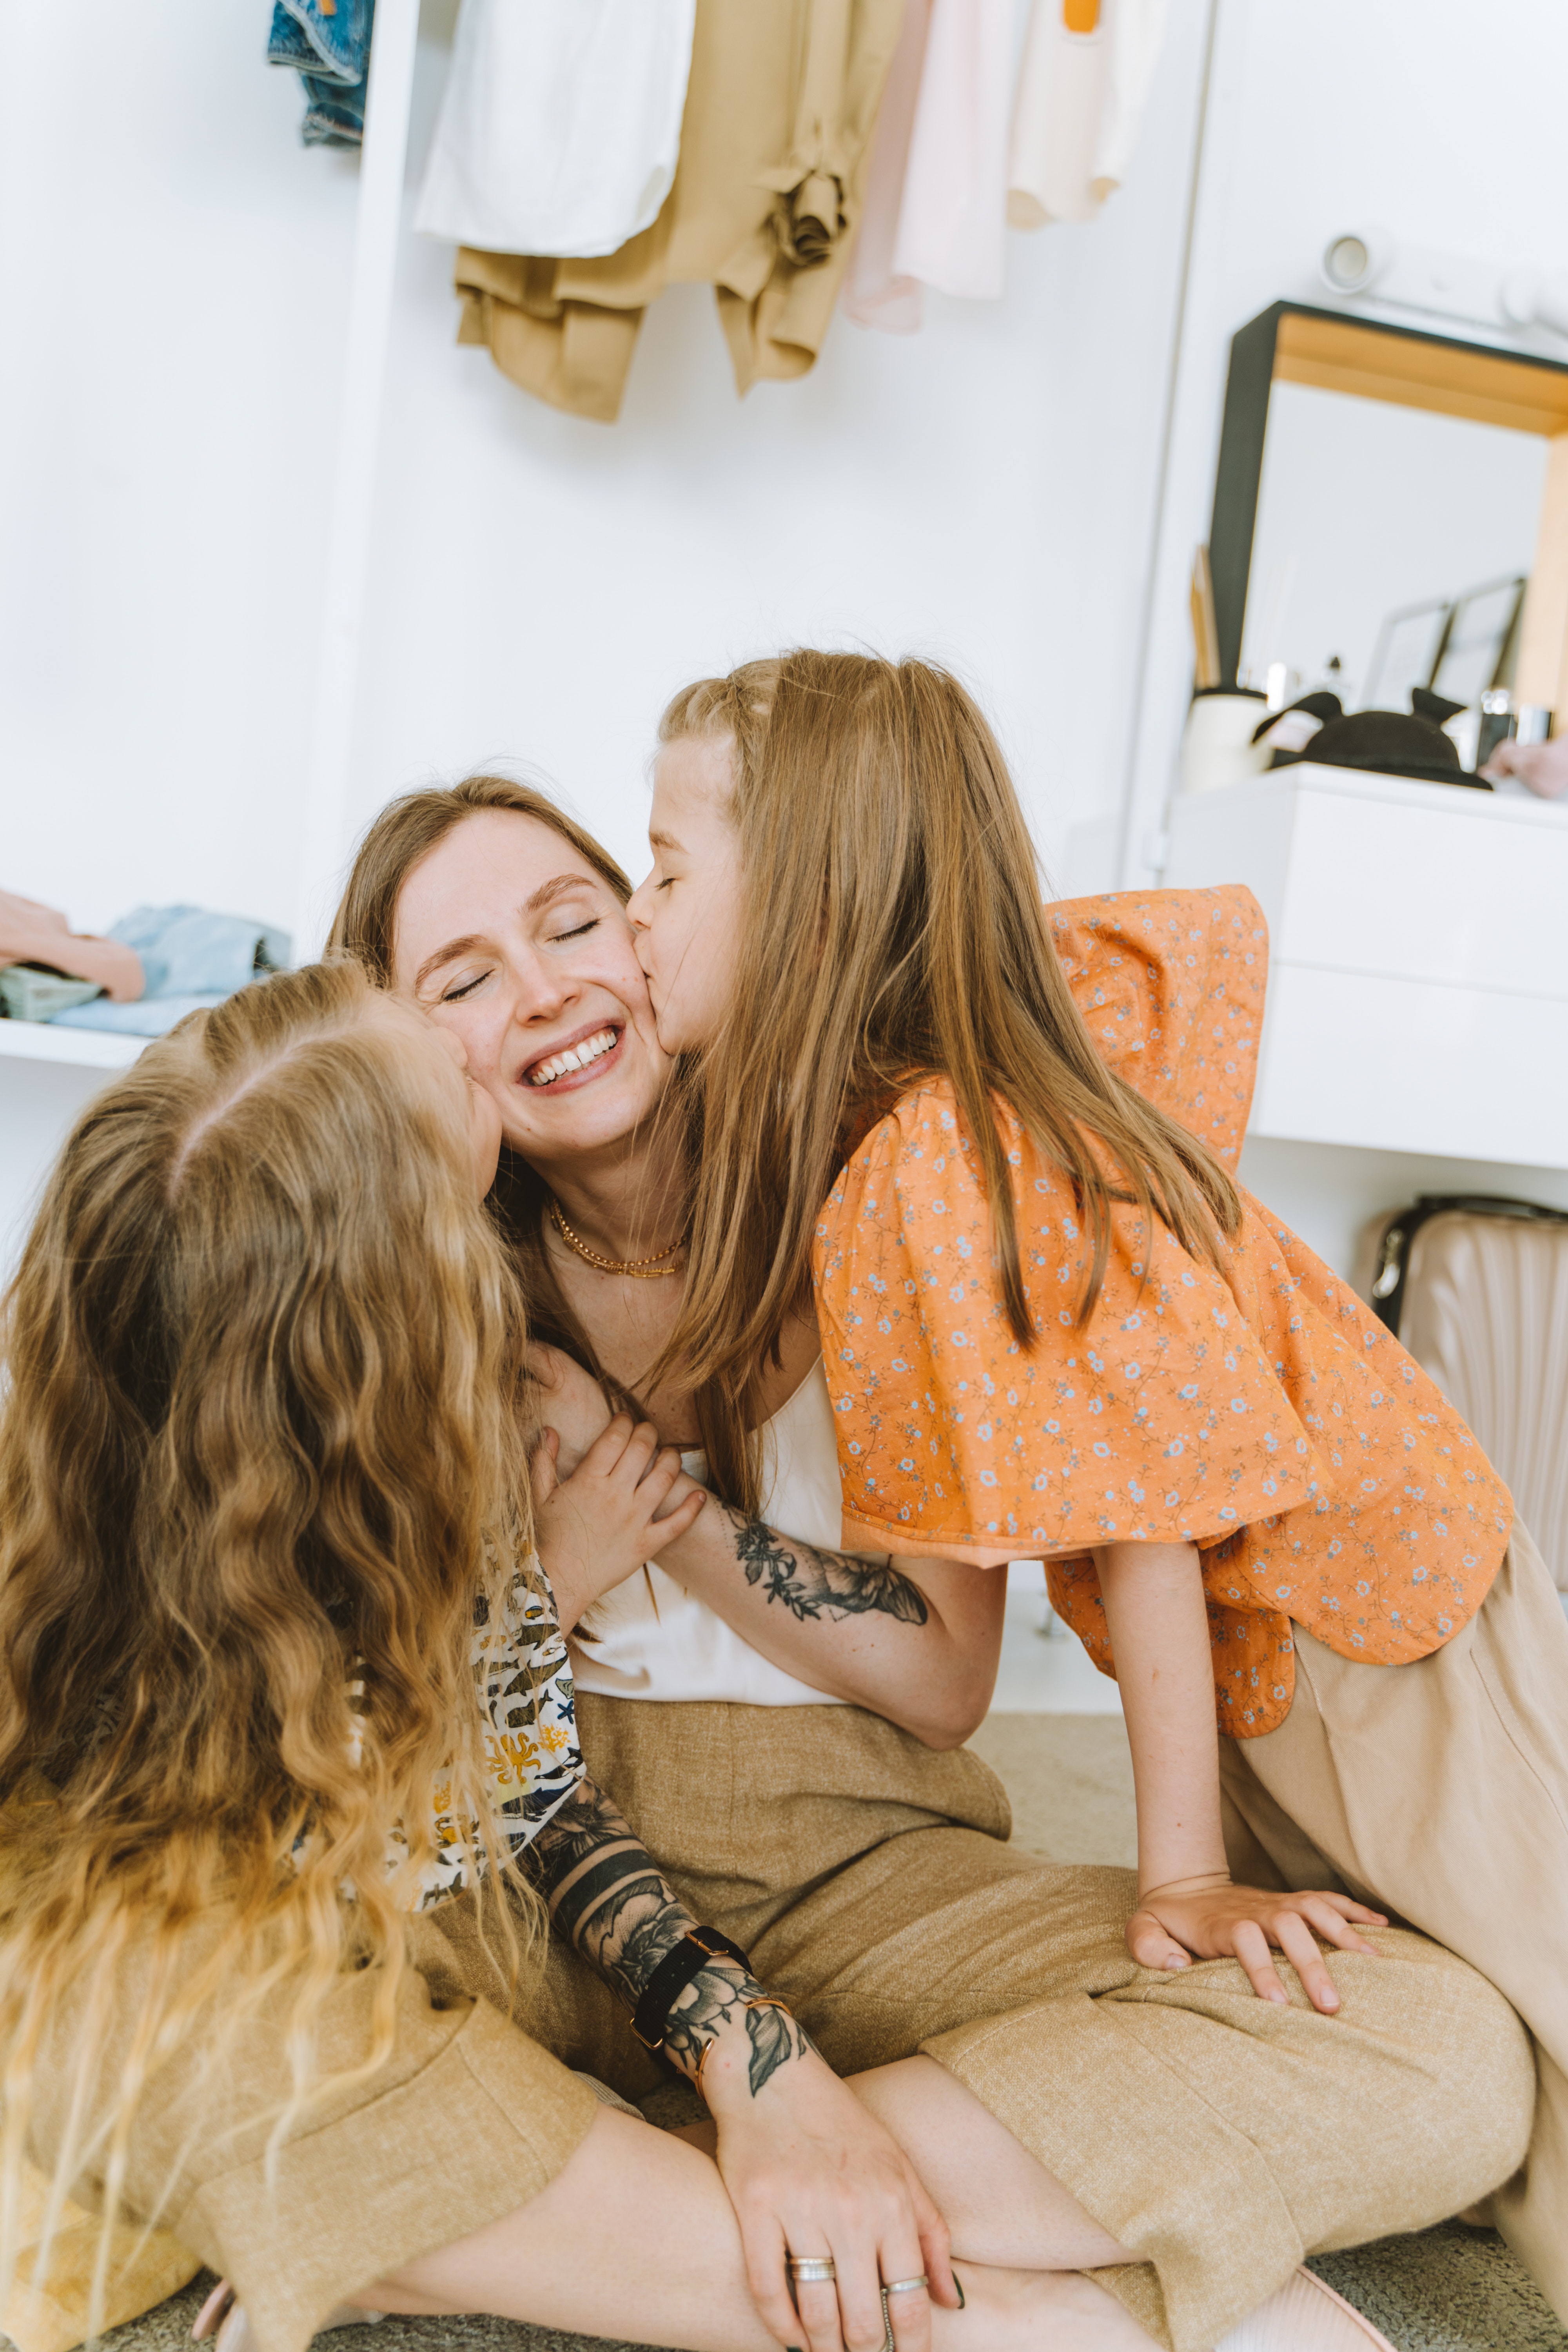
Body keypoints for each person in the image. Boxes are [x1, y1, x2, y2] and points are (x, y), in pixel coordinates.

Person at [330, 774, 1532, 2352]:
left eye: (572, 923)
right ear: (403, 1052)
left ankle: (603, 2218)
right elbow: (404, 1747)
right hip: (538, 1891)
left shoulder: (881, 1198)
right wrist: (560, 1559)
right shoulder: (410, 1281)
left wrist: (677, 1524)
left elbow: (945, 1678)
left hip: (871, 1856)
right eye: (465, 979)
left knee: (1442, 2053)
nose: (546, 988)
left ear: (655, 936)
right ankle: (928, 2244)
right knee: (215, 2044)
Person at [0, 958, 1237, 2352]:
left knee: (1428, 2052)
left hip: (570, 1976)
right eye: (452, 1031)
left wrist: (762, 2077)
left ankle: (547, 2227)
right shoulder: (185, 1440)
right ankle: (937, 2301)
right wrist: (554, 1575)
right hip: (304, 1983)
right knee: (161, 2043)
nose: (493, 1025)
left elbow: (542, 1796)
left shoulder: (489, 1372)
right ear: (394, 1255)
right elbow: (327, 1863)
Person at [622, 648, 1568, 2325]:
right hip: (1284, 1650)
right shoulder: (911, 1134)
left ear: (813, 909)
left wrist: (1178, 1874)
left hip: (1375, 1623)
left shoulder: (940, 1151)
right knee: (1402, 2001)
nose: (634, 918)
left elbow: (1145, 1512)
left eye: (666, 870)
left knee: (1540, 2005)